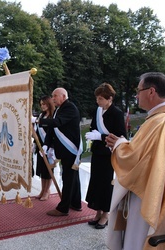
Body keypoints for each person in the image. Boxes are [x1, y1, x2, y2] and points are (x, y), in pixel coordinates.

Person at [105, 72, 165, 250]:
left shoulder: (160, 122)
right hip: (164, 192)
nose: (136, 95)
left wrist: (119, 145)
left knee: (137, 240)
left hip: (147, 194)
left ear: (151, 91)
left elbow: (136, 160)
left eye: (139, 90)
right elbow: (150, 155)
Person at [84, 83, 127, 229]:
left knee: (105, 184)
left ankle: (106, 214)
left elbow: (121, 135)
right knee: (95, 182)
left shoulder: (116, 113)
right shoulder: (98, 111)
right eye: (97, 98)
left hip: (108, 154)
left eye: (101, 98)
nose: (98, 101)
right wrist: (92, 135)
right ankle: (97, 212)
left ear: (109, 99)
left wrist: (101, 136)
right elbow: (93, 127)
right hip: (97, 152)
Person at [39, 88, 82, 216]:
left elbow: (57, 122)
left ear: (63, 96)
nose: (53, 99)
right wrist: (47, 145)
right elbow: (53, 128)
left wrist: (38, 121)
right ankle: (75, 203)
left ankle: (63, 208)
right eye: (52, 96)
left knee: (68, 178)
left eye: (55, 96)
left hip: (70, 149)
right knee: (73, 178)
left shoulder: (70, 107)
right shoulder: (60, 108)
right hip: (64, 149)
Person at [34, 96, 56, 201]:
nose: (42, 106)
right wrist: (35, 144)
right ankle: (42, 190)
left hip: (49, 147)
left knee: (48, 170)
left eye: (44, 104)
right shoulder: (41, 115)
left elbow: (53, 134)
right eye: (41, 104)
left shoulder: (52, 116)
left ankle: (47, 191)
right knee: (42, 169)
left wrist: (50, 147)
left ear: (49, 104)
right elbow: (37, 132)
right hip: (40, 145)